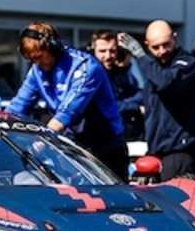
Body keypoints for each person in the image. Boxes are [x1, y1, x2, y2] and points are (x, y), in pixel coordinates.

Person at [9, 23, 128, 178]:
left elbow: (68, 112)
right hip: (72, 144)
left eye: (38, 56)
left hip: (105, 146)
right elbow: (17, 106)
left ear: (52, 47)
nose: (36, 62)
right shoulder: (37, 70)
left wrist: (39, 140)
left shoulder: (85, 67)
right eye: (31, 59)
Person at [119, 21, 195, 179]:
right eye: (155, 47)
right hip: (156, 151)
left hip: (180, 151)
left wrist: (140, 55)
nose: (162, 51)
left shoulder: (186, 63)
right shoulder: (153, 69)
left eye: (166, 44)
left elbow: (165, 82)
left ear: (175, 39)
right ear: (147, 45)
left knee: (174, 202)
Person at [91, 30, 144, 141]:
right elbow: (108, 105)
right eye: (102, 51)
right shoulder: (90, 75)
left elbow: (140, 94)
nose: (108, 56)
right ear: (93, 50)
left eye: (112, 51)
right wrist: (135, 107)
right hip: (96, 136)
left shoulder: (118, 73)